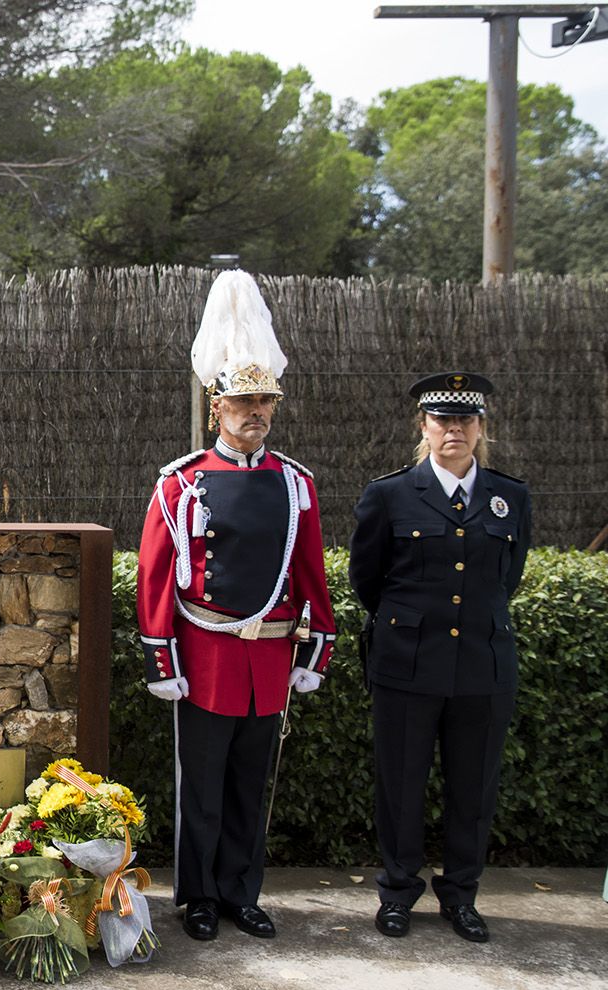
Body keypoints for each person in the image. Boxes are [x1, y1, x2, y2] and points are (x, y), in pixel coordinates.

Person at [136, 270, 336, 943]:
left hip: (271, 655)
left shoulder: (294, 484)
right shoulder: (182, 483)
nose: (256, 413)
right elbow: (156, 575)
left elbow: (310, 570)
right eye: (243, 401)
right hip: (207, 650)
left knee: (255, 785)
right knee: (203, 788)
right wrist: (162, 656)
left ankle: (241, 893)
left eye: (265, 402)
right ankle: (196, 896)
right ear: (217, 407)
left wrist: (317, 648)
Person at [349, 372, 531, 943]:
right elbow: (367, 580)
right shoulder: (390, 494)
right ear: (423, 427)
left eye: (465, 420)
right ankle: (398, 892)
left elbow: (511, 577)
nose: (454, 429)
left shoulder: (511, 497)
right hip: (407, 663)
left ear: (481, 428)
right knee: (401, 783)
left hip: (482, 664)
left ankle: (461, 895)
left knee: (473, 789)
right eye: (442, 420)